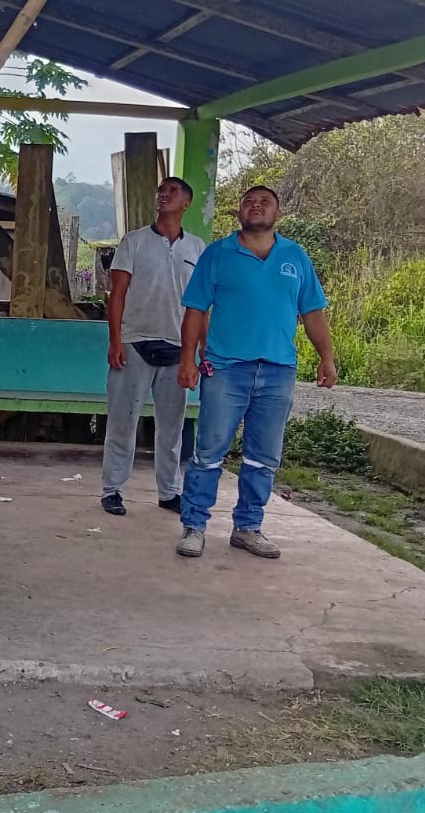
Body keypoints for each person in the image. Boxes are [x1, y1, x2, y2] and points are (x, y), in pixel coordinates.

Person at [173, 185, 337, 560]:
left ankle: (247, 527)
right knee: (209, 451)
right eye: (249, 202)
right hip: (226, 369)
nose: (256, 206)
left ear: (278, 213)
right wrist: (187, 359)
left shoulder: (295, 256)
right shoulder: (217, 254)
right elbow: (195, 310)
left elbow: (312, 312)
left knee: (263, 456)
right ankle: (194, 526)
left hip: (278, 371)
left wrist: (326, 357)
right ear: (239, 212)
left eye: (265, 202)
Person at [100, 177, 204, 517]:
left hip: (178, 347)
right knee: (122, 422)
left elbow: (201, 305)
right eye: (161, 190)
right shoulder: (134, 241)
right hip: (134, 343)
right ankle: (112, 489)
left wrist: (200, 349)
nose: (164, 194)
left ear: (186, 203)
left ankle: (169, 492)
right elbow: (117, 294)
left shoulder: (197, 248)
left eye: (173, 191)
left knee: (172, 428)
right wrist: (116, 340)